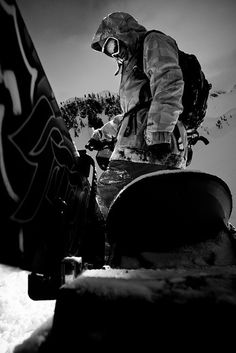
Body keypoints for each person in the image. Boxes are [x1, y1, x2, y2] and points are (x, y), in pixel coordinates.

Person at [88, 12, 188, 218]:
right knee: (139, 209)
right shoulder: (130, 66)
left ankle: (111, 247)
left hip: (150, 146)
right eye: (108, 51)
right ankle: (136, 246)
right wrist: (102, 135)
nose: (113, 54)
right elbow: (130, 116)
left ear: (123, 33)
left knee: (108, 199)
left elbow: (169, 82)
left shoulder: (152, 42)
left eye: (112, 45)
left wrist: (159, 132)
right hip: (136, 146)